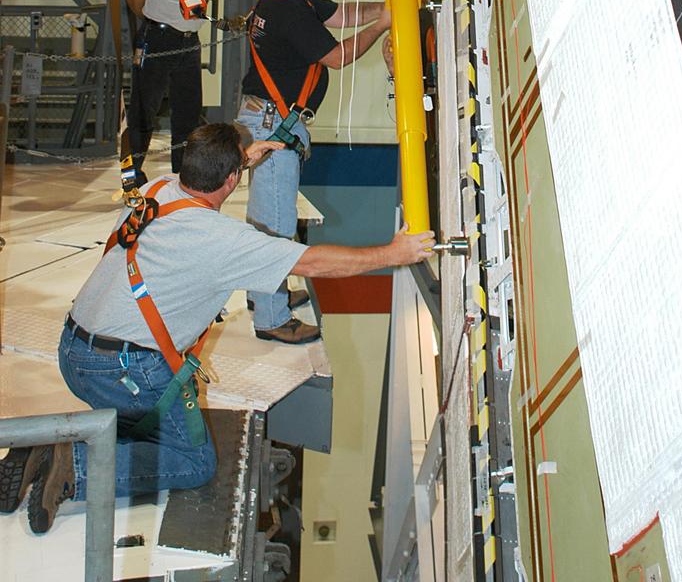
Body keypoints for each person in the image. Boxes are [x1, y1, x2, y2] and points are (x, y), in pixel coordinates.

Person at [0, 123, 434, 534]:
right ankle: (74, 463)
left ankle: (43, 447)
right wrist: (392, 254)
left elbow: (211, 171)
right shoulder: (224, 239)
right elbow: (313, 262)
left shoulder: (158, 190)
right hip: (120, 371)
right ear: (231, 180)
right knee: (193, 463)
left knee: (143, 425)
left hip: (71, 352)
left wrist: (242, 158)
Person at [237, 0, 391, 345]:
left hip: (269, 120)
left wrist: (387, 6)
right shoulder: (286, 8)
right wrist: (384, 26)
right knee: (277, 226)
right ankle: (271, 318)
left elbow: (341, 14)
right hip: (274, 125)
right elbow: (337, 56)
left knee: (266, 221)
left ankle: (264, 293)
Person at [126, 0, 219, 178]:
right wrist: (155, 22)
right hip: (158, 37)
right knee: (143, 110)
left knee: (189, 115)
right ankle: (130, 175)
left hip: (189, 43)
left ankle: (183, 176)